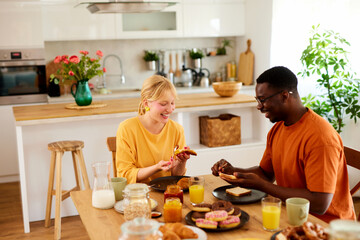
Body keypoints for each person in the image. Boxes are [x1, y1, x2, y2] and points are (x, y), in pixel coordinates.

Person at [211, 66, 356, 223]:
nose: (259, 106)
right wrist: (235, 172)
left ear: (285, 96)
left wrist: (262, 186)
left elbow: (319, 203)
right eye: (257, 100)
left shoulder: (320, 138)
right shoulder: (277, 130)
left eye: (263, 99)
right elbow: (265, 174)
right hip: (292, 216)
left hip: (327, 227)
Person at [116, 75, 192, 184]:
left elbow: (176, 177)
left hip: (168, 194)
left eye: (172, 103)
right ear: (146, 103)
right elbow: (125, 175)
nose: (170, 109)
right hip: (138, 196)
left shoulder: (177, 130)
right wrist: (156, 168)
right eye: (163, 104)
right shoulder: (127, 129)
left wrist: (182, 162)